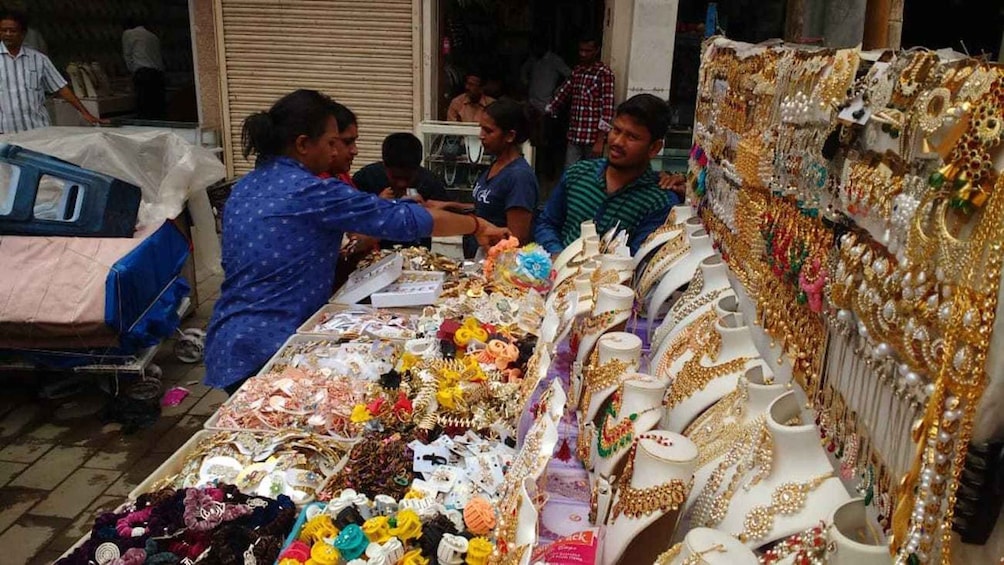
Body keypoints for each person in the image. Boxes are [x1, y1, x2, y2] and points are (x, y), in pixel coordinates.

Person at [205, 90, 508, 393]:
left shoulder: (246, 186)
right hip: (270, 344)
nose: (337, 151)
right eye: (331, 142)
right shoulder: (310, 192)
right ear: (302, 145)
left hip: (230, 337)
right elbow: (401, 221)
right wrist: (476, 224)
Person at [534, 94, 681, 255]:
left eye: (632, 137)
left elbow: (639, 260)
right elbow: (547, 223)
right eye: (616, 130)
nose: (618, 142)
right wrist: (558, 256)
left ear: (654, 148)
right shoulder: (578, 174)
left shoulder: (659, 202)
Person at [440, 99, 537, 256]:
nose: (481, 136)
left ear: (510, 136)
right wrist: (445, 206)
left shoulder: (519, 177)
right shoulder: (496, 165)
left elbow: (516, 240)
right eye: (481, 129)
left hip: (495, 265)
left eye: (488, 131)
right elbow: (485, 207)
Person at [0, 10, 106, 132]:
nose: (7, 34)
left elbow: (61, 88)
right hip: (4, 131)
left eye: (12, 31)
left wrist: (85, 113)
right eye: (3, 30)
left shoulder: (38, 59)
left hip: (37, 128)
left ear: (23, 33)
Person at [545, 34, 615, 167]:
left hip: (592, 137)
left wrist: (600, 141)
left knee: (590, 175)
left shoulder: (604, 74)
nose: (583, 54)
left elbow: (607, 109)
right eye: (581, 50)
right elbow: (562, 94)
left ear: (596, 50)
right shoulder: (577, 71)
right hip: (574, 134)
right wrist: (548, 109)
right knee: (570, 172)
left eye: (587, 51)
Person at [122, 20, 165, 119]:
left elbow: (127, 55)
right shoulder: (153, 36)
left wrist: (131, 73)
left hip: (143, 74)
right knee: (157, 108)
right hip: (158, 74)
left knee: (144, 108)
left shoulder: (128, 34)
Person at [520, 37, 571, 113]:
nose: (535, 49)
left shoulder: (554, 60)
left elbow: (571, 75)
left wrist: (560, 89)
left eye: (537, 47)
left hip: (546, 103)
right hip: (532, 102)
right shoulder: (532, 59)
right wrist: (525, 82)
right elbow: (524, 70)